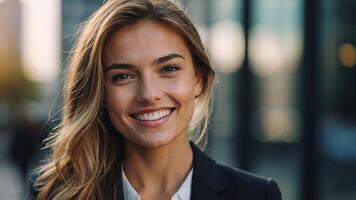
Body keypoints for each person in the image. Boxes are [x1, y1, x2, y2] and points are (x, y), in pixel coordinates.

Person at [27, 0, 282, 199]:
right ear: (101, 93)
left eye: (169, 69)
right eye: (123, 76)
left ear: (198, 80)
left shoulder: (257, 195)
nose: (149, 94)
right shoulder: (53, 194)